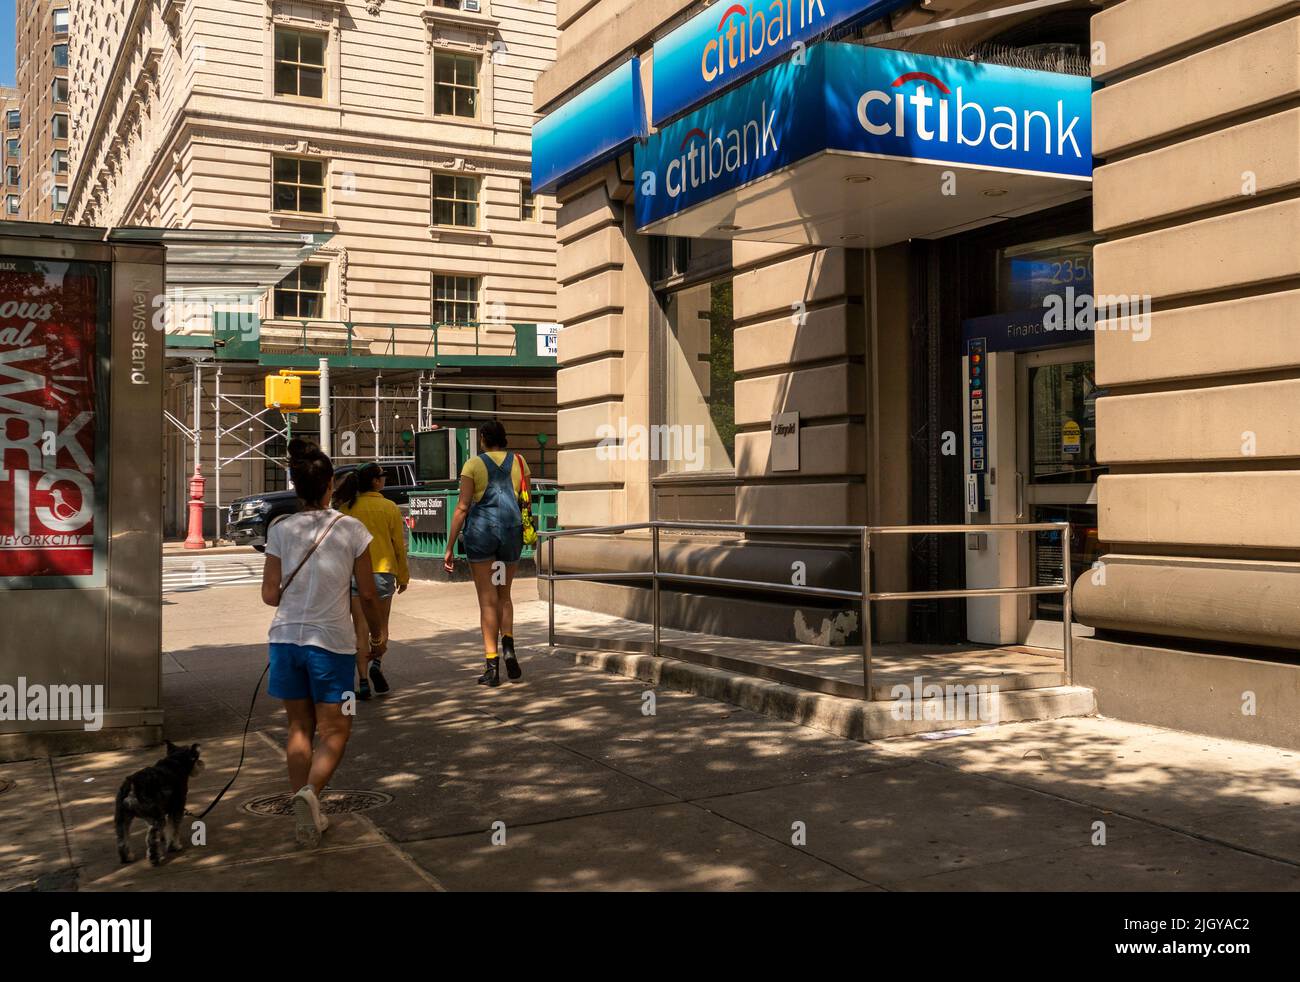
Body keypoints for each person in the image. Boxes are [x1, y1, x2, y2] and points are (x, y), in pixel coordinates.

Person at [261, 438, 386, 847]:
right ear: (331, 483)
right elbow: (367, 593)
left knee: (299, 726)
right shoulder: (352, 530)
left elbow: (269, 594)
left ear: (296, 486)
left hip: (284, 642)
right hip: (330, 643)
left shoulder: (279, 528)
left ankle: (305, 817)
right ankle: (310, 796)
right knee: (336, 730)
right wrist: (377, 635)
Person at [444, 420, 529, 687]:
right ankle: (510, 648)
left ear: (482, 439)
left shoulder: (473, 465)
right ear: (503, 438)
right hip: (511, 531)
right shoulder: (519, 461)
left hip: (482, 534)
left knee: (487, 600)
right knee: (504, 594)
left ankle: (492, 667)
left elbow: (462, 507)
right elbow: (524, 498)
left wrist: (449, 547)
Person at [333, 462, 410, 700]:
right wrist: (403, 576)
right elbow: (399, 545)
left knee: (360, 629)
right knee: (381, 625)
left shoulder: (346, 508)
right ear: (376, 482)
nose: (384, 480)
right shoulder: (390, 508)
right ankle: (377, 664)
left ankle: (363, 681)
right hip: (383, 571)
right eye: (382, 477)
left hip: (355, 573)